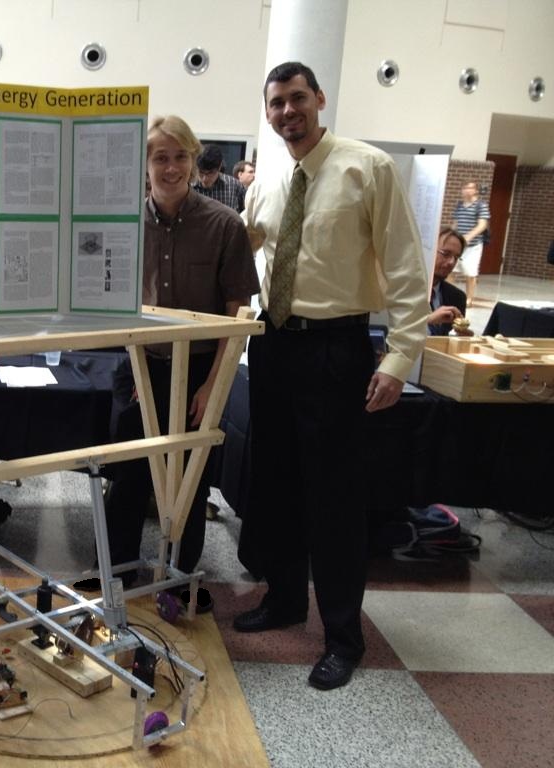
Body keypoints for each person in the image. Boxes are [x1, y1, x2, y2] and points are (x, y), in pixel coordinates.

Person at [235, 62, 430, 690]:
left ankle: (344, 636)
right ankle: (285, 599)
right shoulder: (268, 180)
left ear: (319, 99)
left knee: (336, 497)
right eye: (276, 103)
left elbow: (405, 266)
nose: (288, 111)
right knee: (277, 483)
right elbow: (248, 252)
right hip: (272, 345)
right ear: (268, 113)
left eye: (298, 98)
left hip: (335, 350)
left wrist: (399, 357)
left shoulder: (367, 168)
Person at [76, 116, 258, 613]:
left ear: (194, 160)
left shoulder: (225, 225)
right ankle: (113, 571)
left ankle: (178, 579)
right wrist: (134, 364)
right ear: (145, 164)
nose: (171, 167)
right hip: (141, 364)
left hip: (199, 371)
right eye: (160, 157)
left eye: (180, 157)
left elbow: (237, 314)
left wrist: (214, 386)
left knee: (188, 478)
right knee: (127, 473)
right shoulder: (125, 225)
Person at [451, 181, 490, 307]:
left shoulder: (481, 206)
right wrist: (451, 236)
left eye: (469, 188)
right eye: (464, 188)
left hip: (473, 246)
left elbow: (482, 225)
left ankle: (469, 299)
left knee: (470, 273)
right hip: (458, 244)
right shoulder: (459, 206)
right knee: (451, 270)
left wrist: (469, 236)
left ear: (475, 190)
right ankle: (450, 296)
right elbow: (455, 224)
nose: (466, 190)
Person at [428, 227, 472, 336]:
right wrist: (428, 320)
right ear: (429, 250)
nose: (451, 262)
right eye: (445, 254)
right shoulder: (403, 289)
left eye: (456, 257)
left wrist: (464, 337)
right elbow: (392, 329)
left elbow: (452, 337)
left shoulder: (457, 297)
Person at [194, 143, 246, 213]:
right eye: (201, 172)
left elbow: (244, 214)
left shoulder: (235, 186)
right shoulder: (188, 186)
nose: (204, 179)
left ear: (219, 167)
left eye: (211, 173)